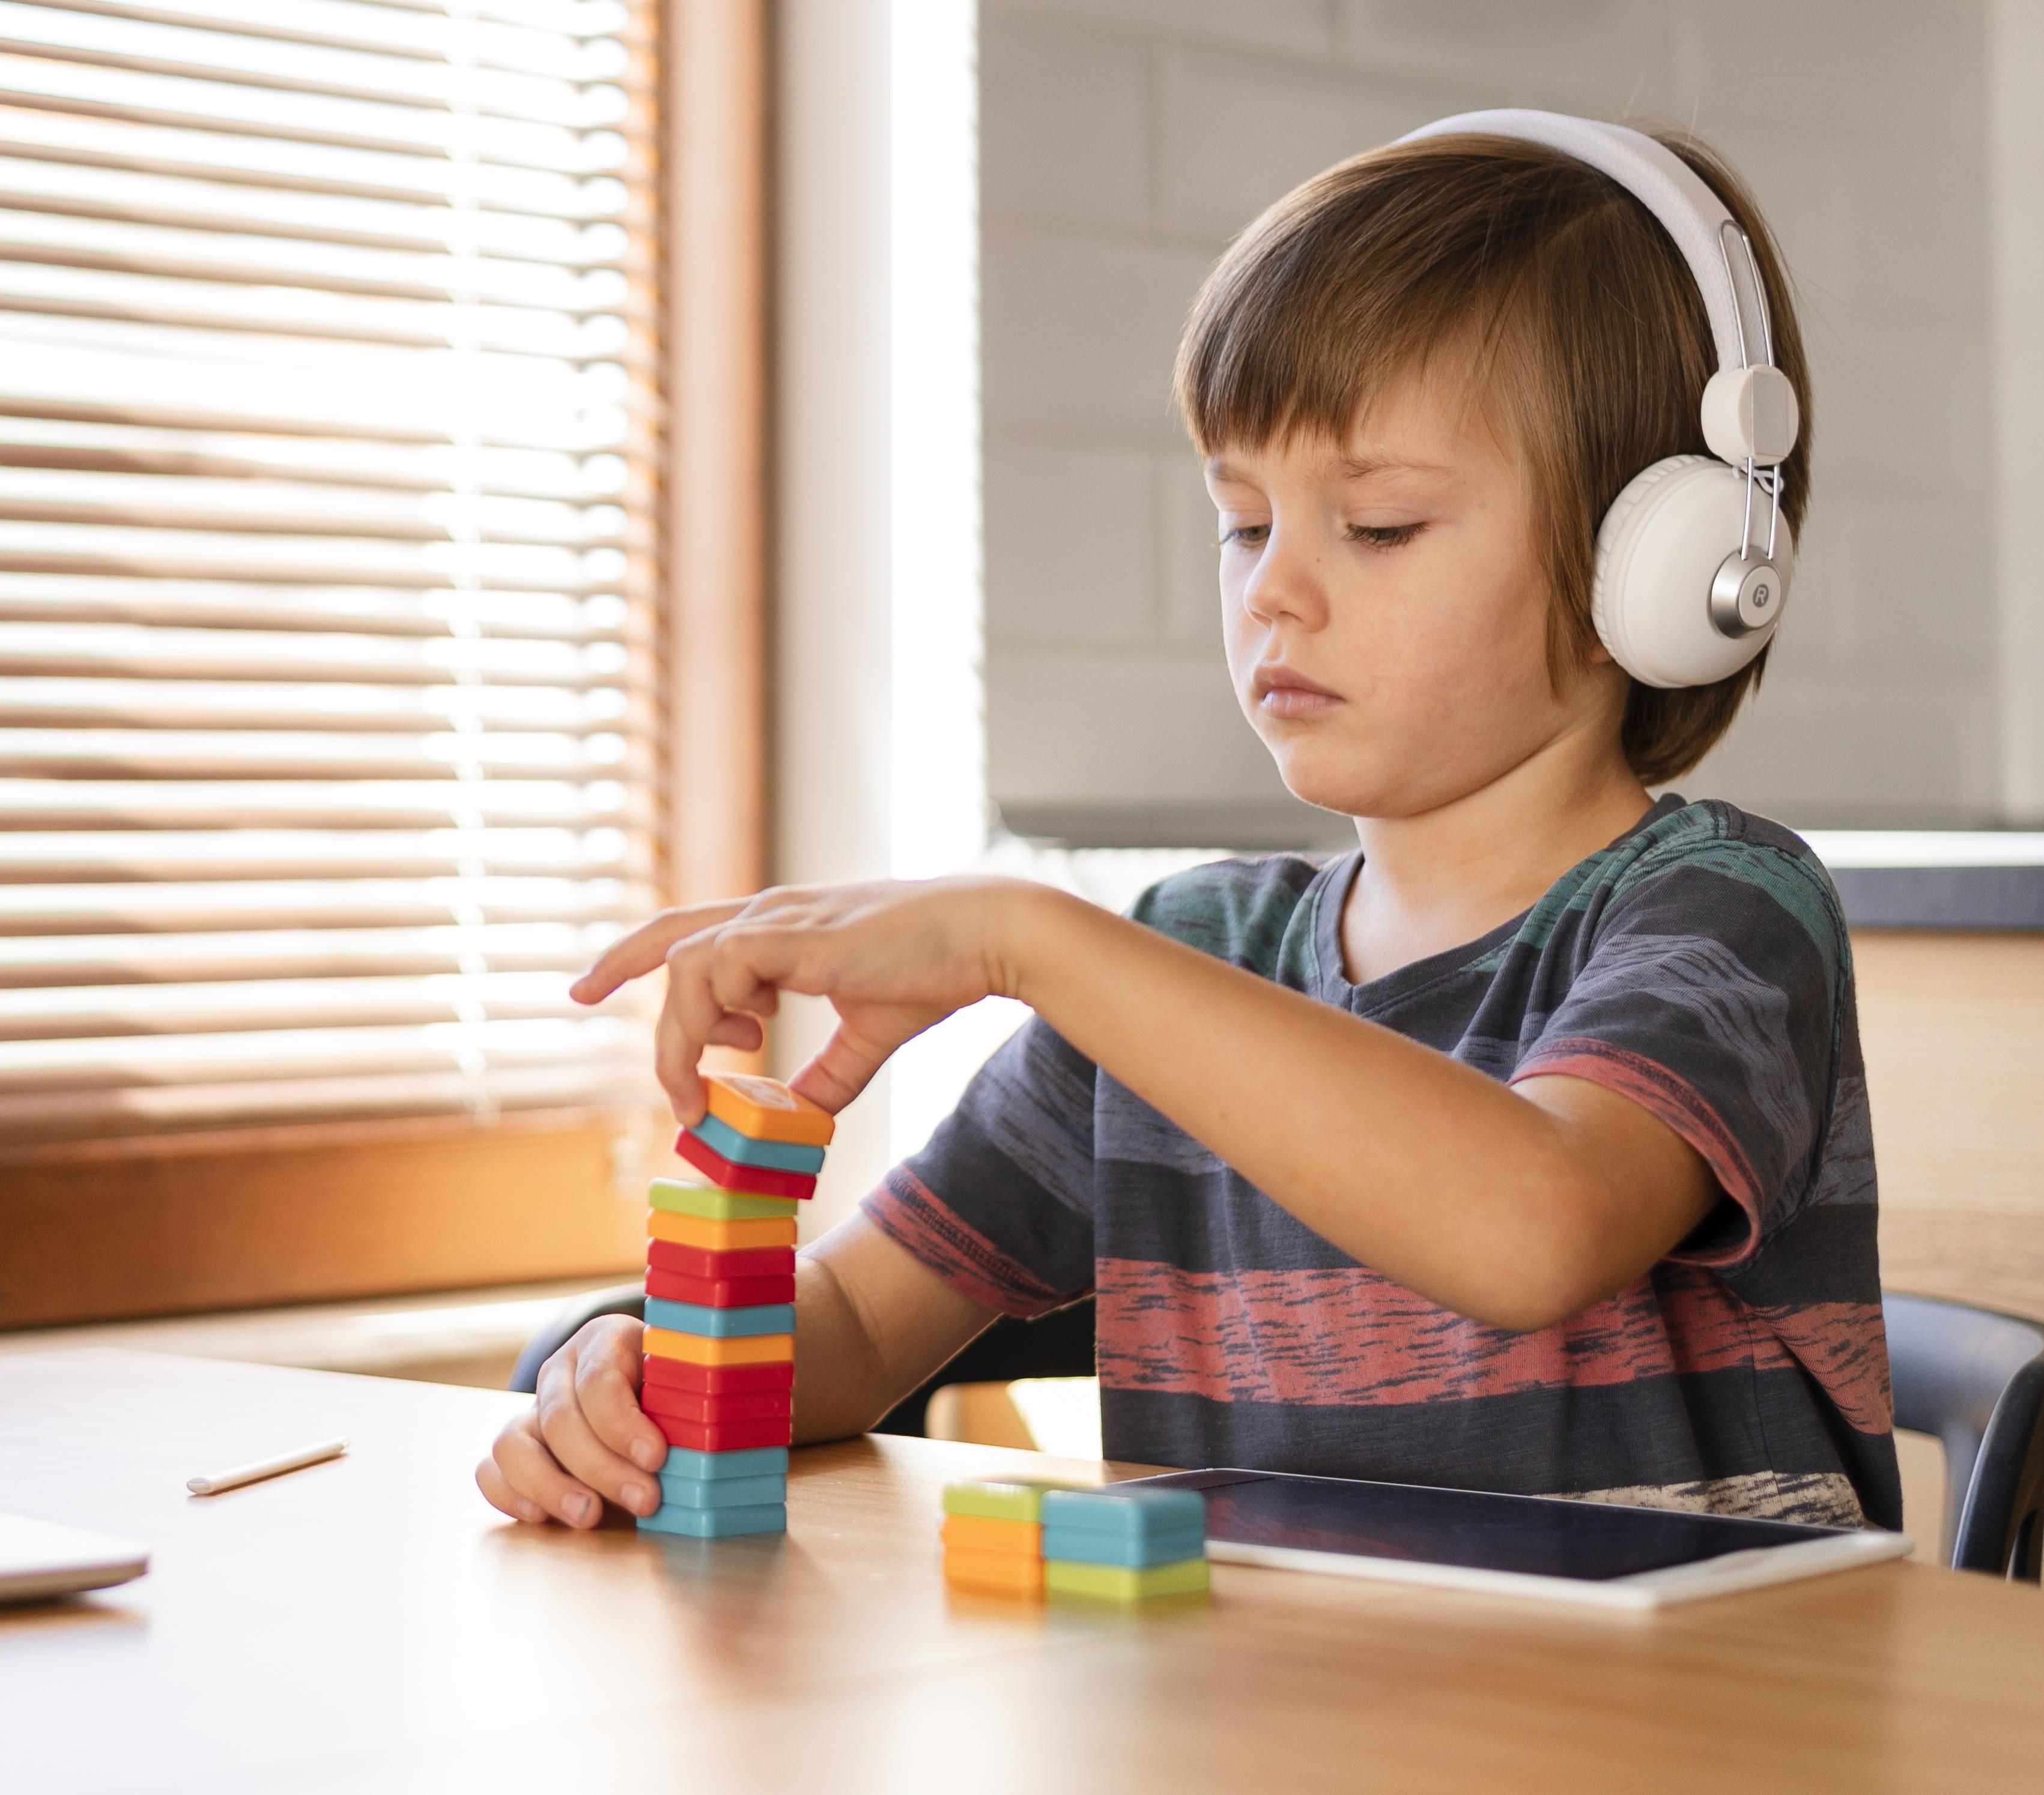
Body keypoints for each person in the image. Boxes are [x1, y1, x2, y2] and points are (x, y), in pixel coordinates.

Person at [477, 117, 1897, 1535]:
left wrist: (1026, 941)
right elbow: (850, 1318)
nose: (1273, 592)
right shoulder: (1194, 955)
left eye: (1380, 524)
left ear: (1658, 561)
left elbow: (1533, 1224)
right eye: (1241, 521)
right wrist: (645, 1371)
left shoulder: (1723, 910)